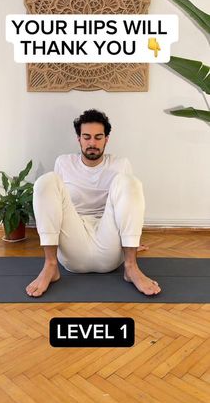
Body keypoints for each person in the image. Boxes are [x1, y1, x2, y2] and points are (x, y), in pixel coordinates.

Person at [26, 109, 161, 297]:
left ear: (106, 139)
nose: (92, 143)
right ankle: (50, 265)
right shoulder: (64, 162)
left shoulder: (120, 164)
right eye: (86, 137)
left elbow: (128, 203)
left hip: (109, 244)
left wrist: (131, 241)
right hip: (74, 243)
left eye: (98, 137)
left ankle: (131, 267)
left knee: (129, 182)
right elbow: (55, 206)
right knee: (46, 181)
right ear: (78, 139)